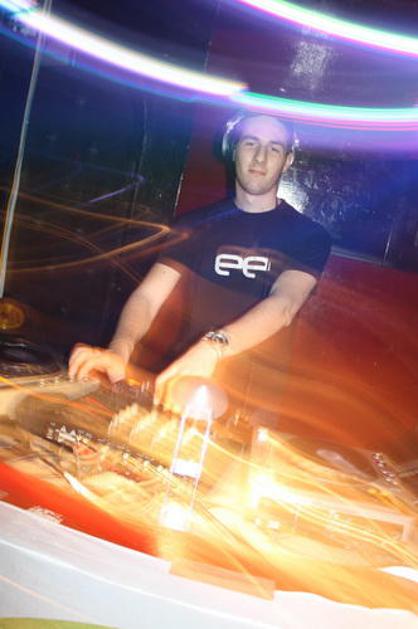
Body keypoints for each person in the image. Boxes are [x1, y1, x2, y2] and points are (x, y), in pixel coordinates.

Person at [69, 112, 331, 413]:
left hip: (256, 400)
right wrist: (120, 349)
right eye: (251, 143)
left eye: (273, 148)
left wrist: (213, 347)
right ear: (234, 150)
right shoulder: (196, 224)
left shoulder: (309, 235)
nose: (260, 157)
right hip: (185, 383)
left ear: (287, 161)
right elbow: (148, 297)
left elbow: (284, 305)